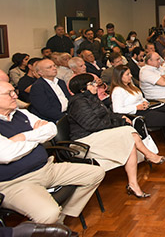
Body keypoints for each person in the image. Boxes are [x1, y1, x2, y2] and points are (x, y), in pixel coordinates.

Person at [0, 81, 105, 225]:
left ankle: (60, 219)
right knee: (49, 214)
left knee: (96, 173)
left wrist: (23, 137)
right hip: (17, 182)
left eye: (14, 91)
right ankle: (53, 221)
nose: (15, 96)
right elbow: (6, 154)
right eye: (9, 93)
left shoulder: (21, 113)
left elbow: (51, 130)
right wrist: (37, 135)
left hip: (47, 168)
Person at [67, 74, 165, 199]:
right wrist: (119, 123)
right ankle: (149, 155)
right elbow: (92, 125)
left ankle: (133, 184)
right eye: (91, 84)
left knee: (129, 140)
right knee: (127, 132)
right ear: (82, 89)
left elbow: (107, 114)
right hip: (86, 139)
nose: (95, 85)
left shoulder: (91, 98)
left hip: (98, 134)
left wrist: (120, 117)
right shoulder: (78, 103)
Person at [111, 65, 165, 156]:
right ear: (120, 77)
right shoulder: (118, 90)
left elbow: (141, 98)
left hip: (146, 109)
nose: (131, 76)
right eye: (127, 74)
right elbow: (117, 110)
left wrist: (145, 103)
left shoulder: (131, 86)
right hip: (137, 115)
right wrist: (136, 108)